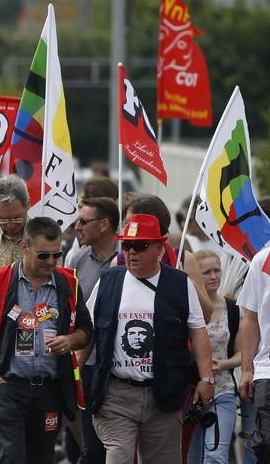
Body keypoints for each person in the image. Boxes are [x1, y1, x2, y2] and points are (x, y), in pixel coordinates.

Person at [83, 213, 214, 464]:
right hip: (116, 393)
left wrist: (206, 378)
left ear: (160, 248)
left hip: (163, 393)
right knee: (118, 457)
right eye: (127, 246)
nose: (132, 253)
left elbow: (198, 331)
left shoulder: (179, 283)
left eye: (140, 246)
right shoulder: (109, 281)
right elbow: (88, 329)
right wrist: (74, 370)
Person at [0, 217, 91, 464]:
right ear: (24, 247)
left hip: (51, 388)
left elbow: (87, 329)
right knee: (9, 456)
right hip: (8, 386)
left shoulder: (69, 283)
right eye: (43, 256)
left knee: (42, 458)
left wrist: (71, 339)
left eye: (57, 255)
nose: (51, 262)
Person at [64, 197, 119, 464]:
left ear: (105, 225)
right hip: (87, 365)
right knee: (92, 448)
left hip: (120, 368)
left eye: (83, 222)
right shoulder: (76, 259)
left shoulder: (128, 257)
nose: (77, 227)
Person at [186, 250, 240, 463]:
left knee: (216, 455)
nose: (213, 276)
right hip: (190, 392)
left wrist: (224, 363)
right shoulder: (185, 308)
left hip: (223, 390)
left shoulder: (233, 309)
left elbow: (244, 352)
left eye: (217, 270)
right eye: (206, 272)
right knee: (192, 456)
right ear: (196, 276)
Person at [237, 244, 270, 461]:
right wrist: (247, 369)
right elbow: (250, 318)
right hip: (267, 371)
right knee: (266, 445)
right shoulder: (262, 259)